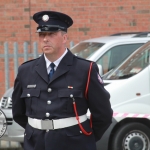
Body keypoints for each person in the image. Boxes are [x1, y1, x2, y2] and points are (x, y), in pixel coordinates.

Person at [12, 11, 113, 150]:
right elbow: (18, 112)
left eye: (51, 34)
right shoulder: (26, 70)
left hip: (75, 144)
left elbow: (103, 114)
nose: (45, 39)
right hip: (36, 144)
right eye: (42, 35)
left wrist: (86, 137)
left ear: (64, 38)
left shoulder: (85, 69)